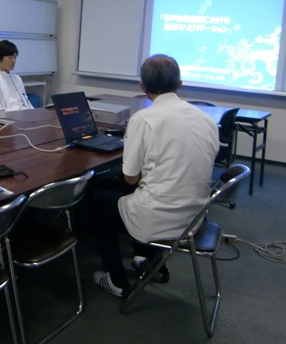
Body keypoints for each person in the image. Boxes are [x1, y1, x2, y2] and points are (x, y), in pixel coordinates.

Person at [91, 54, 219, 298]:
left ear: (142, 87)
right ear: (179, 84)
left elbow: (130, 177)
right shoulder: (206, 119)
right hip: (195, 216)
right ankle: (152, 265)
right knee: (142, 192)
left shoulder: (143, 119)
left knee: (98, 208)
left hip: (158, 217)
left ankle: (117, 281)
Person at [0, 40, 34, 111]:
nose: (14, 61)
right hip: (9, 116)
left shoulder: (17, 78)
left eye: (15, 57)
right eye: (10, 57)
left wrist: (35, 113)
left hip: (24, 114)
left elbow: (27, 103)